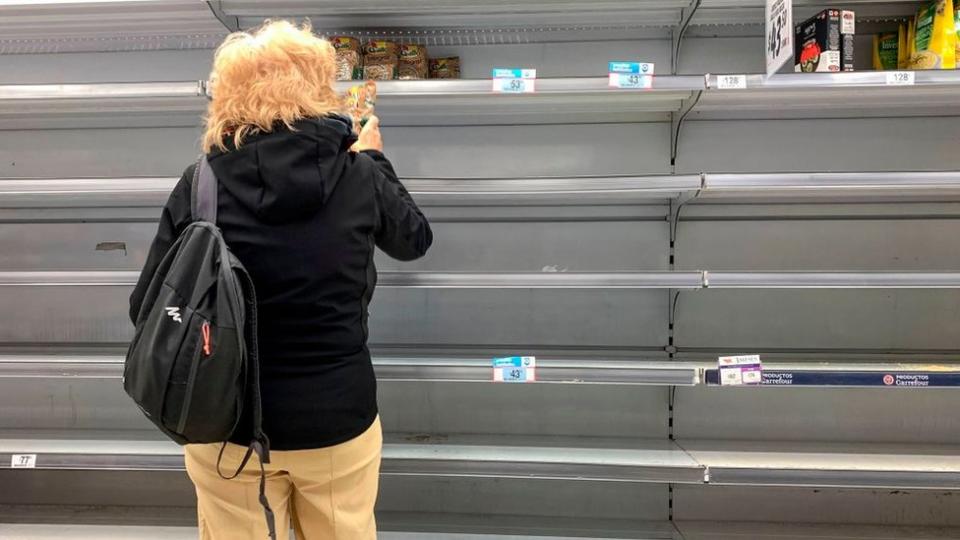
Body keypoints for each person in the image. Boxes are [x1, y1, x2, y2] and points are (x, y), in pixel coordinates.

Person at [128, 19, 433, 540]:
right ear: (319, 87)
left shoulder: (201, 183)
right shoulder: (359, 175)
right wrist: (376, 157)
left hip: (225, 423)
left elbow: (147, 307)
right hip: (336, 417)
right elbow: (413, 241)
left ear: (228, 94)